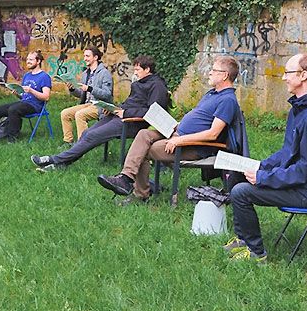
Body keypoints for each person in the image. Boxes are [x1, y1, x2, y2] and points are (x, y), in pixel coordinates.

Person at [224, 54, 307, 263]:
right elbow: (287, 152)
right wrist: (260, 166)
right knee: (236, 177)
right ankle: (243, 239)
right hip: (298, 182)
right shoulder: (300, 109)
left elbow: (304, 170)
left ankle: (256, 252)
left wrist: (264, 178)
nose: (284, 77)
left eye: (288, 72)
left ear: (303, 75)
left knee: (241, 192)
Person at [97, 55, 240, 207]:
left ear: (225, 75)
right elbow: (201, 120)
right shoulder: (212, 93)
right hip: (178, 132)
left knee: (144, 150)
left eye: (214, 70)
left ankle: (139, 193)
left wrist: (179, 140)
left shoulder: (227, 100)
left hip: (194, 146)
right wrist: (177, 125)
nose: (209, 72)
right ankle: (126, 179)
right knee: (144, 134)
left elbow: (213, 134)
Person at [31, 55, 169, 171]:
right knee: (86, 133)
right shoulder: (138, 83)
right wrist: (113, 108)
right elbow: (131, 102)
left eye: (138, 69)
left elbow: (154, 112)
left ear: (147, 69)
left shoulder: (157, 85)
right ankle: (62, 163)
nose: (135, 72)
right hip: (120, 115)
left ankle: (54, 159)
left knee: (92, 135)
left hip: (133, 122)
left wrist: (125, 112)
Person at [0, 51, 51, 143]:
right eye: (27, 59)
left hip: (35, 106)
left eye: (31, 59)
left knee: (13, 109)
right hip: (23, 103)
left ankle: (12, 139)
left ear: (38, 61)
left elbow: (46, 97)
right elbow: (23, 96)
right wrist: (17, 93)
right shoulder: (27, 76)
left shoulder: (44, 77)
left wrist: (31, 90)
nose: (28, 61)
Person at [60, 46, 113, 146]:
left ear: (96, 57)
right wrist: (72, 88)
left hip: (100, 105)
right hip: (87, 104)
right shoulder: (86, 73)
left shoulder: (104, 73)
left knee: (80, 114)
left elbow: (107, 94)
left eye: (87, 56)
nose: (85, 59)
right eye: (84, 56)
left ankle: (82, 145)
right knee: (65, 113)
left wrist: (90, 88)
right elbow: (82, 94)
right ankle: (68, 142)